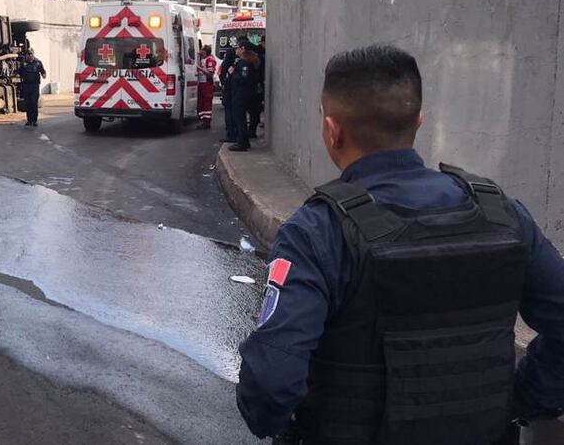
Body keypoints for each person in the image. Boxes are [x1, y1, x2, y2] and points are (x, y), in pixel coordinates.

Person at [237, 44, 564, 444]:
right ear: (418, 121)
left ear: (332, 130)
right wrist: (521, 397)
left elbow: (269, 384)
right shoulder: (504, 215)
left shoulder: (316, 233)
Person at [227, 38, 258, 151]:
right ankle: (243, 141)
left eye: (238, 48)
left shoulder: (244, 63)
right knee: (240, 118)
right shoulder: (240, 62)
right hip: (240, 94)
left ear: (243, 49)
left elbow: (243, 78)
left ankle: (242, 142)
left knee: (240, 119)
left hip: (241, 95)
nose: (236, 50)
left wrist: (233, 73)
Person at [18, 49, 46, 127]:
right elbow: (19, 72)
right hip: (26, 86)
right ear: (26, 55)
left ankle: (34, 120)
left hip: (35, 86)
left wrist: (44, 75)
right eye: (28, 54)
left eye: (31, 54)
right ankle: (29, 120)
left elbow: (43, 71)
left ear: (33, 54)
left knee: (34, 103)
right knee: (28, 104)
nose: (30, 55)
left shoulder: (38, 63)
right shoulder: (23, 63)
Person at [219, 42, 239, 142]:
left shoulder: (228, 65)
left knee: (230, 113)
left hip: (229, 91)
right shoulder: (236, 64)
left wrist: (224, 84)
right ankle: (233, 133)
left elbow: (223, 76)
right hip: (234, 92)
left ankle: (231, 134)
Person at [196, 43, 217, 129]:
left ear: (205, 52)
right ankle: (203, 120)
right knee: (201, 103)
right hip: (201, 83)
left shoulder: (210, 60)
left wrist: (200, 69)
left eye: (202, 50)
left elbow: (210, 74)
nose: (200, 52)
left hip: (207, 84)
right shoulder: (203, 59)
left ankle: (207, 122)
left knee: (207, 103)